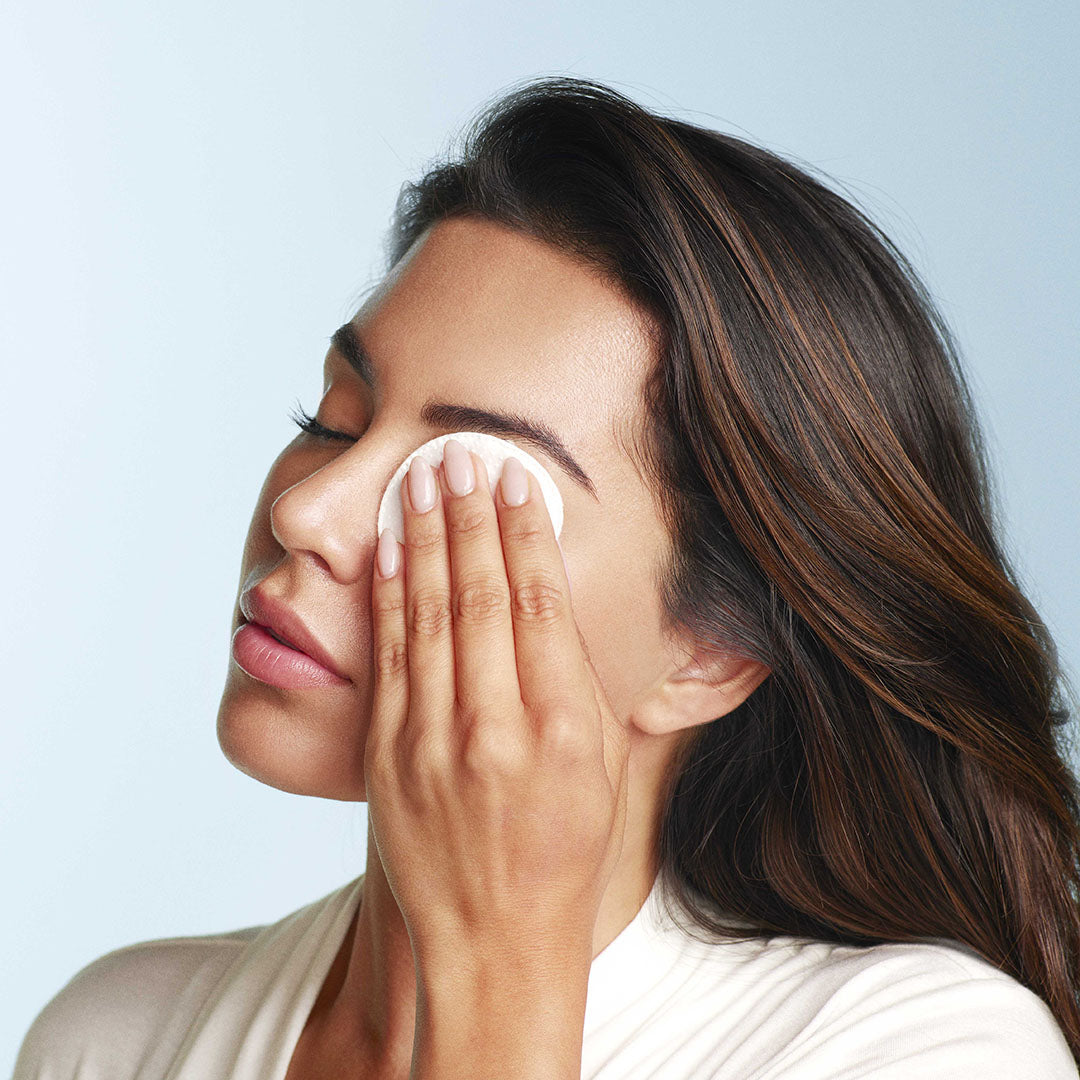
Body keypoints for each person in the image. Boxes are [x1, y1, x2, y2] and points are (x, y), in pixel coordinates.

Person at [14, 76, 1079, 1079]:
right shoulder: (115, 1035)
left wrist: (495, 970)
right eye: (330, 422)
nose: (304, 513)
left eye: (453, 486)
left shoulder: (925, 1053)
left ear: (710, 652)